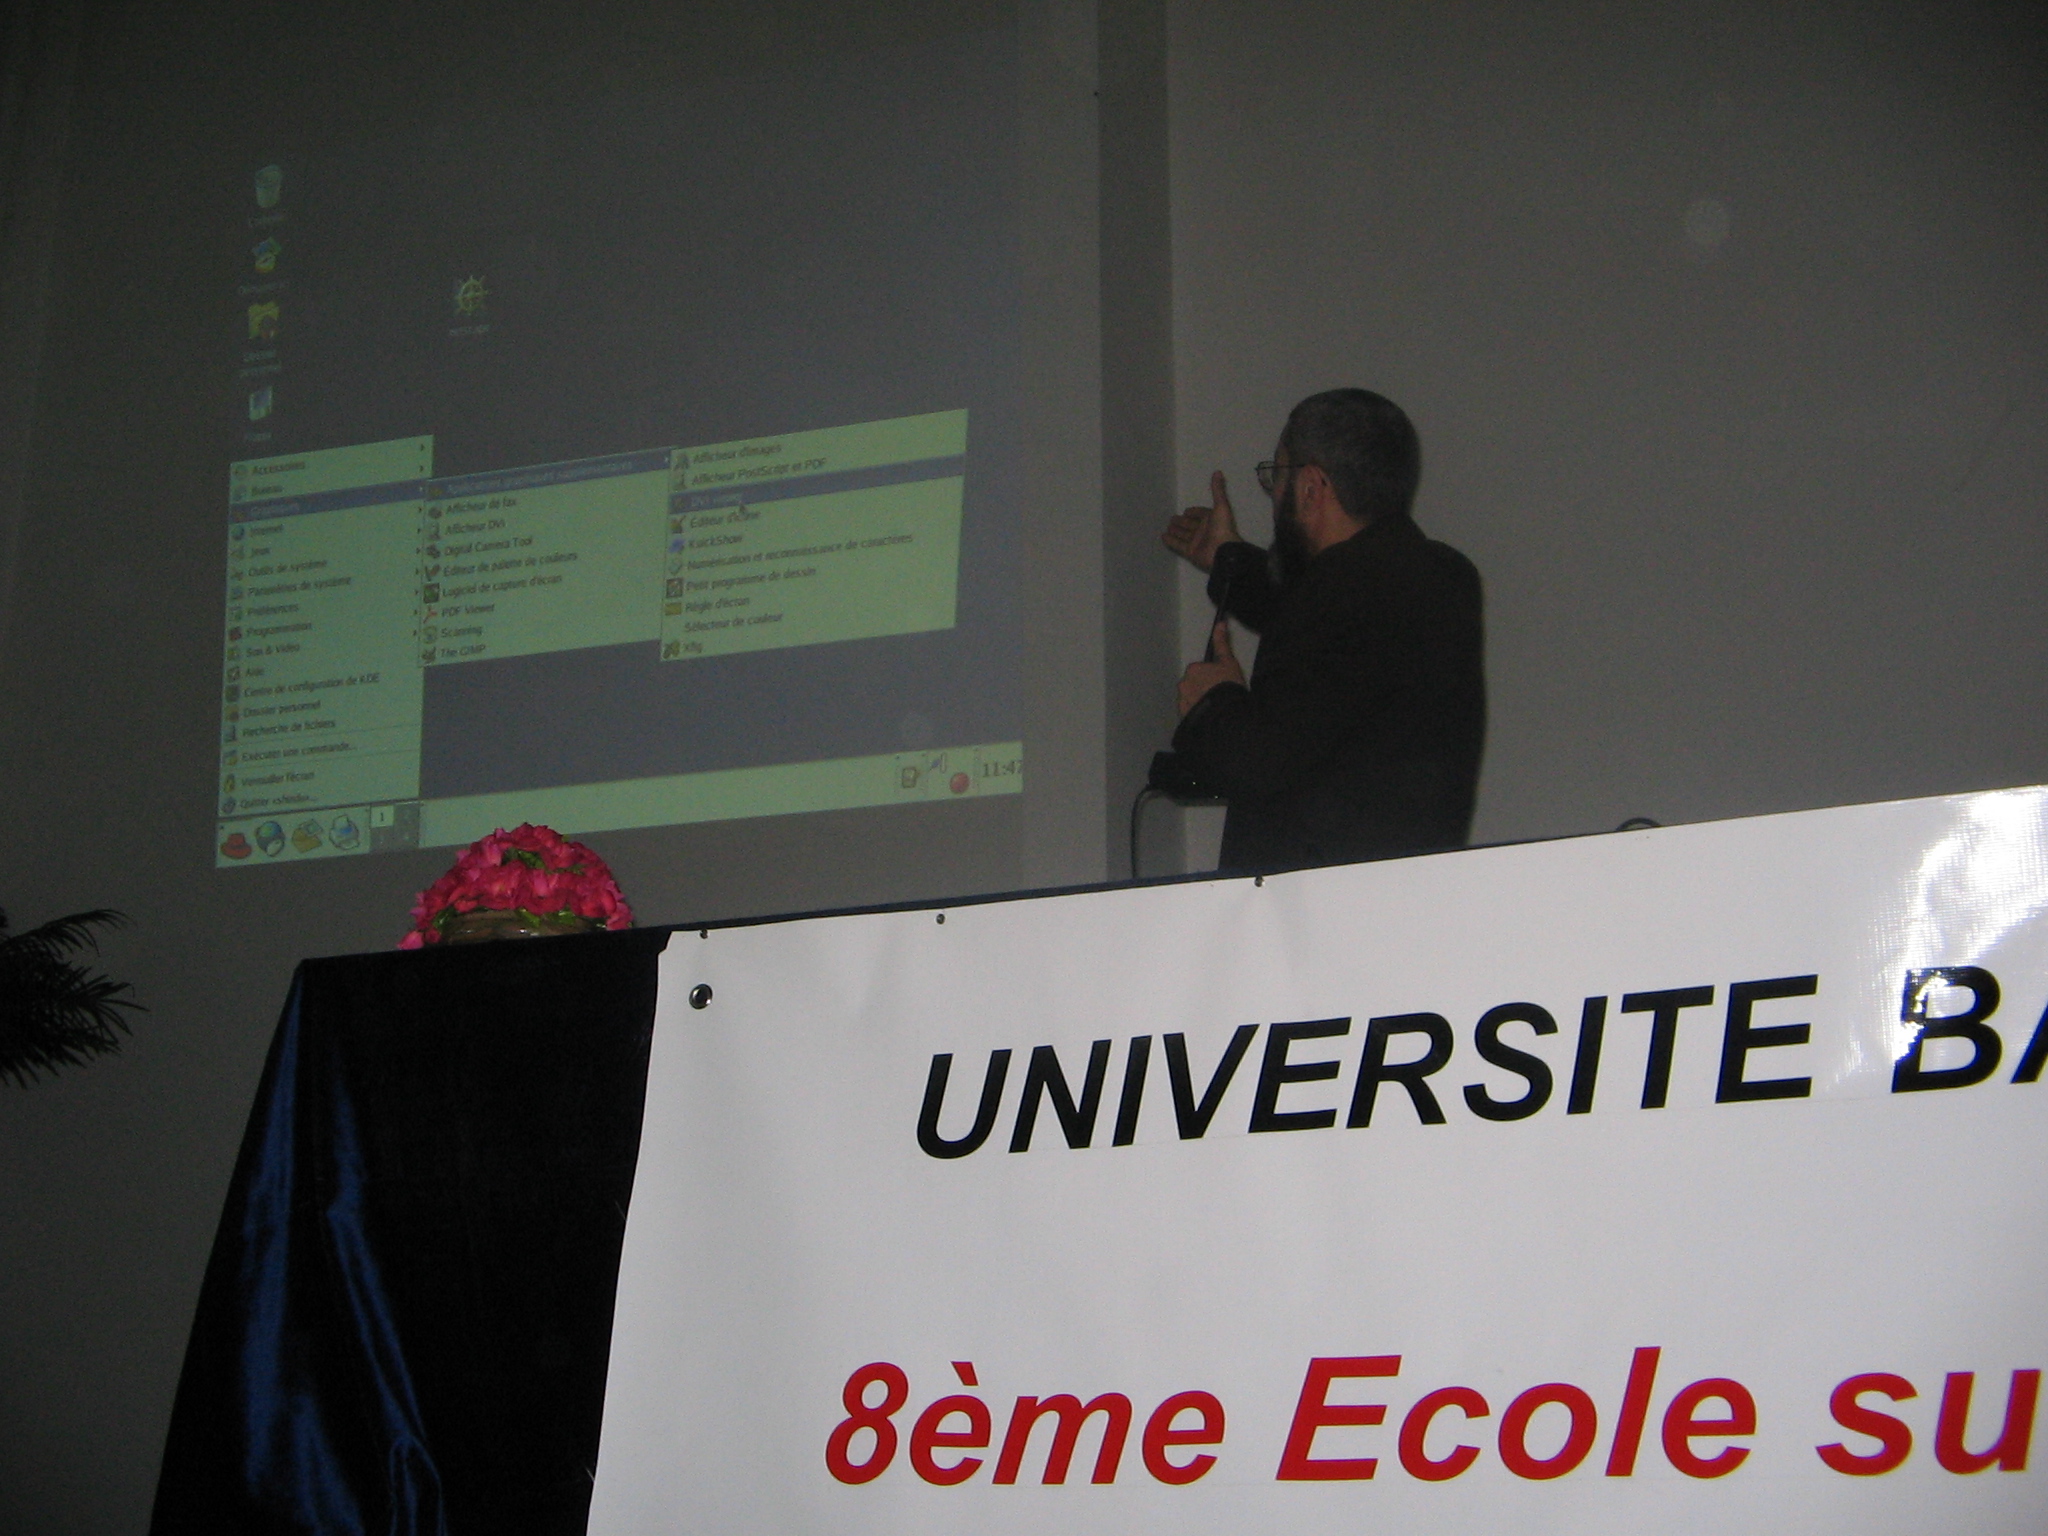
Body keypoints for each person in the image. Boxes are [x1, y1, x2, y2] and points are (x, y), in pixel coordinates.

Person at [1161, 388, 1484, 873]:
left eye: (1275, 478)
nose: (1274, 497)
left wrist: (1214, 702)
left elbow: (1259, 761)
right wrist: (1229, 558)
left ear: (1311, 487)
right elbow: (1327, 641)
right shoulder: (1441, 577)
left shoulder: (1338, 587)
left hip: (1323, 905)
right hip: (1405, 894)